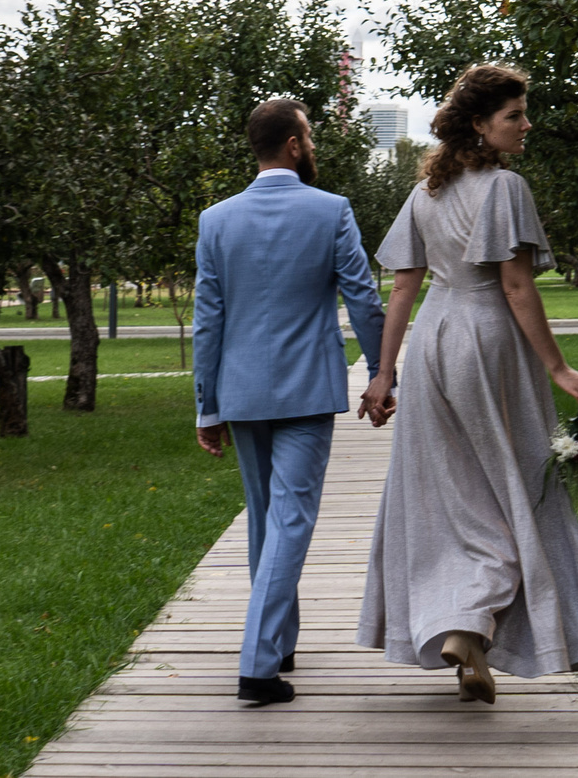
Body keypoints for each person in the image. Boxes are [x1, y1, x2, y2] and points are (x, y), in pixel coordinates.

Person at [355, 62, 578, 700]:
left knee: (449, 492)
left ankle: (462, 624)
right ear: (479, 124)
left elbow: (403, 288)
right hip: (487, 338)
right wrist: (558, 366)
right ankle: (474, 615)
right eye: (514, 116)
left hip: (435, 341)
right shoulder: (504, 188)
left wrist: (385, 373)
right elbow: (516, 284)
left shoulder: (426, 194)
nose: (527, 125)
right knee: (517, 483)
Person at [192, 96, 387, 706]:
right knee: (291, 519)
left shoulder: (215, 220)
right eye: (311, 134)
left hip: (241, 391)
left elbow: (208, 321)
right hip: (305, 390)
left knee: (264, 518)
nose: (313, 144)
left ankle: (278, 642)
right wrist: (382, 371)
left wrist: (207, 404)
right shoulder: (331, 211)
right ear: (296, 144)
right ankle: (257, 665)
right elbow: (364, 298)